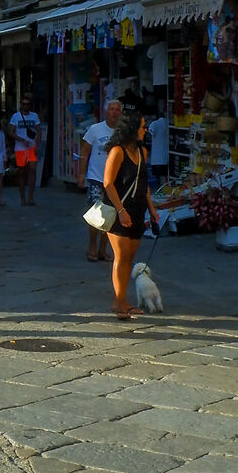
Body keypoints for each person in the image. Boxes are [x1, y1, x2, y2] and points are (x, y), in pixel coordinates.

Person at [100, 106, 158, 318]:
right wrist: (121, 210)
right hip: (118, 211)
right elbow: (108, 183)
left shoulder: (143, 152)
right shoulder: (117, 151)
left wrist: (152, 210)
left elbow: (144, 185)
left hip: (138, 210)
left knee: (129, 257)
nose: (145, 131)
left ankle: (123, 300)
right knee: (121, 256)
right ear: (133, 128)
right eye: (143, 127)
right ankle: (119, 302)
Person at [77, 98, 124, 263]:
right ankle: (92, 246)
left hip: (115, 180)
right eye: (111, 109)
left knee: (110, 216)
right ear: (106, 112)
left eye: (117, 109)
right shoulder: (95, 129)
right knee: (96, 215)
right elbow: (84, 152)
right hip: (96, 177)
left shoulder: (122, 132)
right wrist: (81, 174)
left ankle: (103, 249)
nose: (114, 112)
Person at [10, 93, 42, 206]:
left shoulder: (34, 116)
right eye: (23, 104)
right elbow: (11, 132)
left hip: (32, 147)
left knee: (32, 171)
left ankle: (30, 197)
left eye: (28, 104)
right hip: (20, 148)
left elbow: (39, 131)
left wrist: (37, 145)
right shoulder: (16, 116)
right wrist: (21, 139)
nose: (25, 106)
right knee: (22, 172)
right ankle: (23, 198)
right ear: (21, 105)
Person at [148, 98, 170, 190]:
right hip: (166, 156)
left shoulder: (154, 124)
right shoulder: (169, 123)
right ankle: (165, 191)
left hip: (156, 158)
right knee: (166, 177)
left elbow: (150, 133)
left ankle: (162, 192)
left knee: (159, 180)